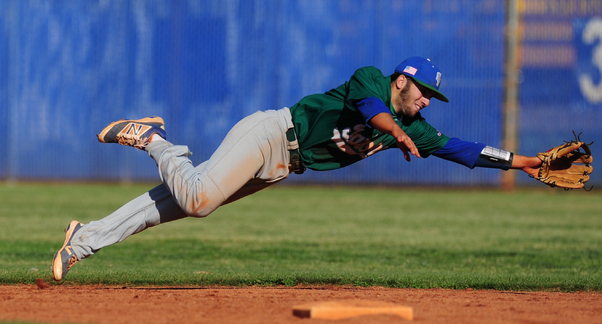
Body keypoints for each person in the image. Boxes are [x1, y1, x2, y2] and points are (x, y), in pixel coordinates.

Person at [52, 56, 542, 281]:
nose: (428, 103)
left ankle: (83, 239)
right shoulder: (373, 80)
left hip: (284, 165)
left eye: (432, 99)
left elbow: (466, 150)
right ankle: (156, 140)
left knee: (176, 204)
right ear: (403, 81)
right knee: (198, 200)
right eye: (424, 93)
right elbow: (372, 105)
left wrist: (527, 163)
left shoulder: (417, 130)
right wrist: (395, 133)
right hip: (270, 133)